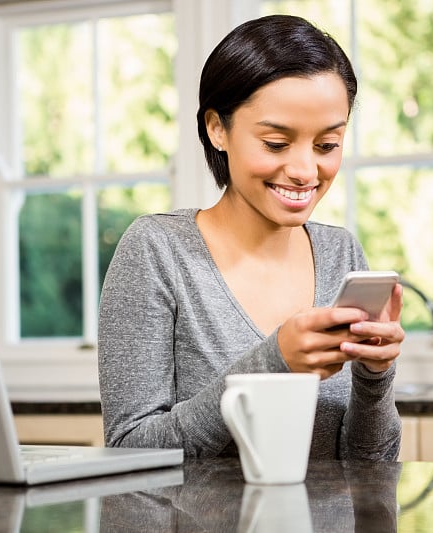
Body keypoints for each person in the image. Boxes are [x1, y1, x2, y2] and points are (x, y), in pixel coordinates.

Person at [98, 14, 404, 460]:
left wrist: (376, 375)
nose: (304, 171)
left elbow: (368, 466)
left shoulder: (342, 252)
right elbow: (130, 449)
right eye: (277, 144)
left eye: (326, 145)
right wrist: (273, 363)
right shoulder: (158, 251)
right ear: (217, 129)